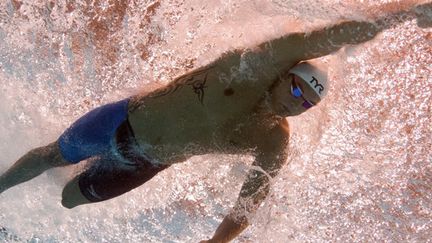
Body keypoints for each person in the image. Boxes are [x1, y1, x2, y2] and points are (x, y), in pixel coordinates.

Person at [0, 1, 430, 242]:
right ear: (286, 75)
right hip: (124, 119)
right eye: (298, 89)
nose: (299, 103)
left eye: (308, 104)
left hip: (146, 162)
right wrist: (404, 17)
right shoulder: (252, 68)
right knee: (53, 153)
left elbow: (250, 200)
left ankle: (68, 181)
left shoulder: (271, 140)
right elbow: (333, 37)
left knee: (69, 199)